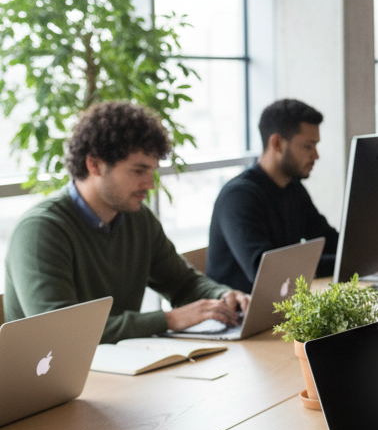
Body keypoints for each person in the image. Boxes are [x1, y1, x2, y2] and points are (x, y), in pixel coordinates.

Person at [4, 101, 249, 343]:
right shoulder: (41, 230)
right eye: (138, 171)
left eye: (152, 171)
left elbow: (183, 284)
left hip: (120, 366)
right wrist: (168, 320)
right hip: (51, 377)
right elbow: (60, 330)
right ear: (95, 165)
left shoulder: (138, 219)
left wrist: (223, 297)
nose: (150, 184)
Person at [207, 99, 339, 292]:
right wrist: (341, 263)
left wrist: (365, 258)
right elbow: (266, 271)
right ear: (277, 143)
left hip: (278, 305)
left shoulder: (293, 187)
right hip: (237, 315)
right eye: (308, 146)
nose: (316, 155)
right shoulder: (239, 197)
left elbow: (329, 241)